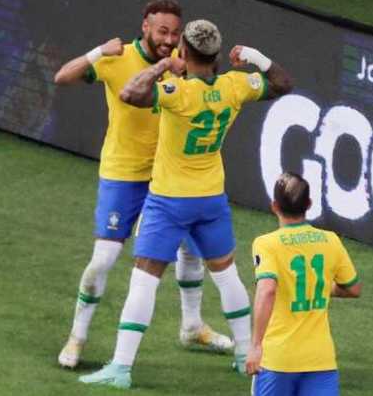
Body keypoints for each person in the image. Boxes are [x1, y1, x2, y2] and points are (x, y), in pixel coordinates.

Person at [78, 19, 293, 389]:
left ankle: (121, 367)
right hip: (210, 197)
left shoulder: (176, 91)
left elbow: (130, 94)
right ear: (218, 55)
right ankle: (245, 356)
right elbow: (282, 83)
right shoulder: (235, 86)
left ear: (184, 53)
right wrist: (256, 57)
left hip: (168, 200)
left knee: (144, 280)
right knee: (226, 274)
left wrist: (161, 66)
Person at [53, 0, 232, 369]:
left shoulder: (186, 67)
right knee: (102, 261)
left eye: (175, 33)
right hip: (123, 173)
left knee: (191, 251)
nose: (168, 40)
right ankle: (77, 337)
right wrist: (98, 51)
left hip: (169, 177)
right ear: (145, 26)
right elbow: (63, 76)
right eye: (162, 31)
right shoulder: (117, 58)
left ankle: (192, 325)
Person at [247, 172, 362, 396]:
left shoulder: (266, 244)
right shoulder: (331, 241)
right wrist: (324, 288)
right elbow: (354, 288)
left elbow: (267, 290)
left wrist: (255, 346)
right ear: (309, 204)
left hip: (278, 360)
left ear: (274, 206)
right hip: (320, 360)